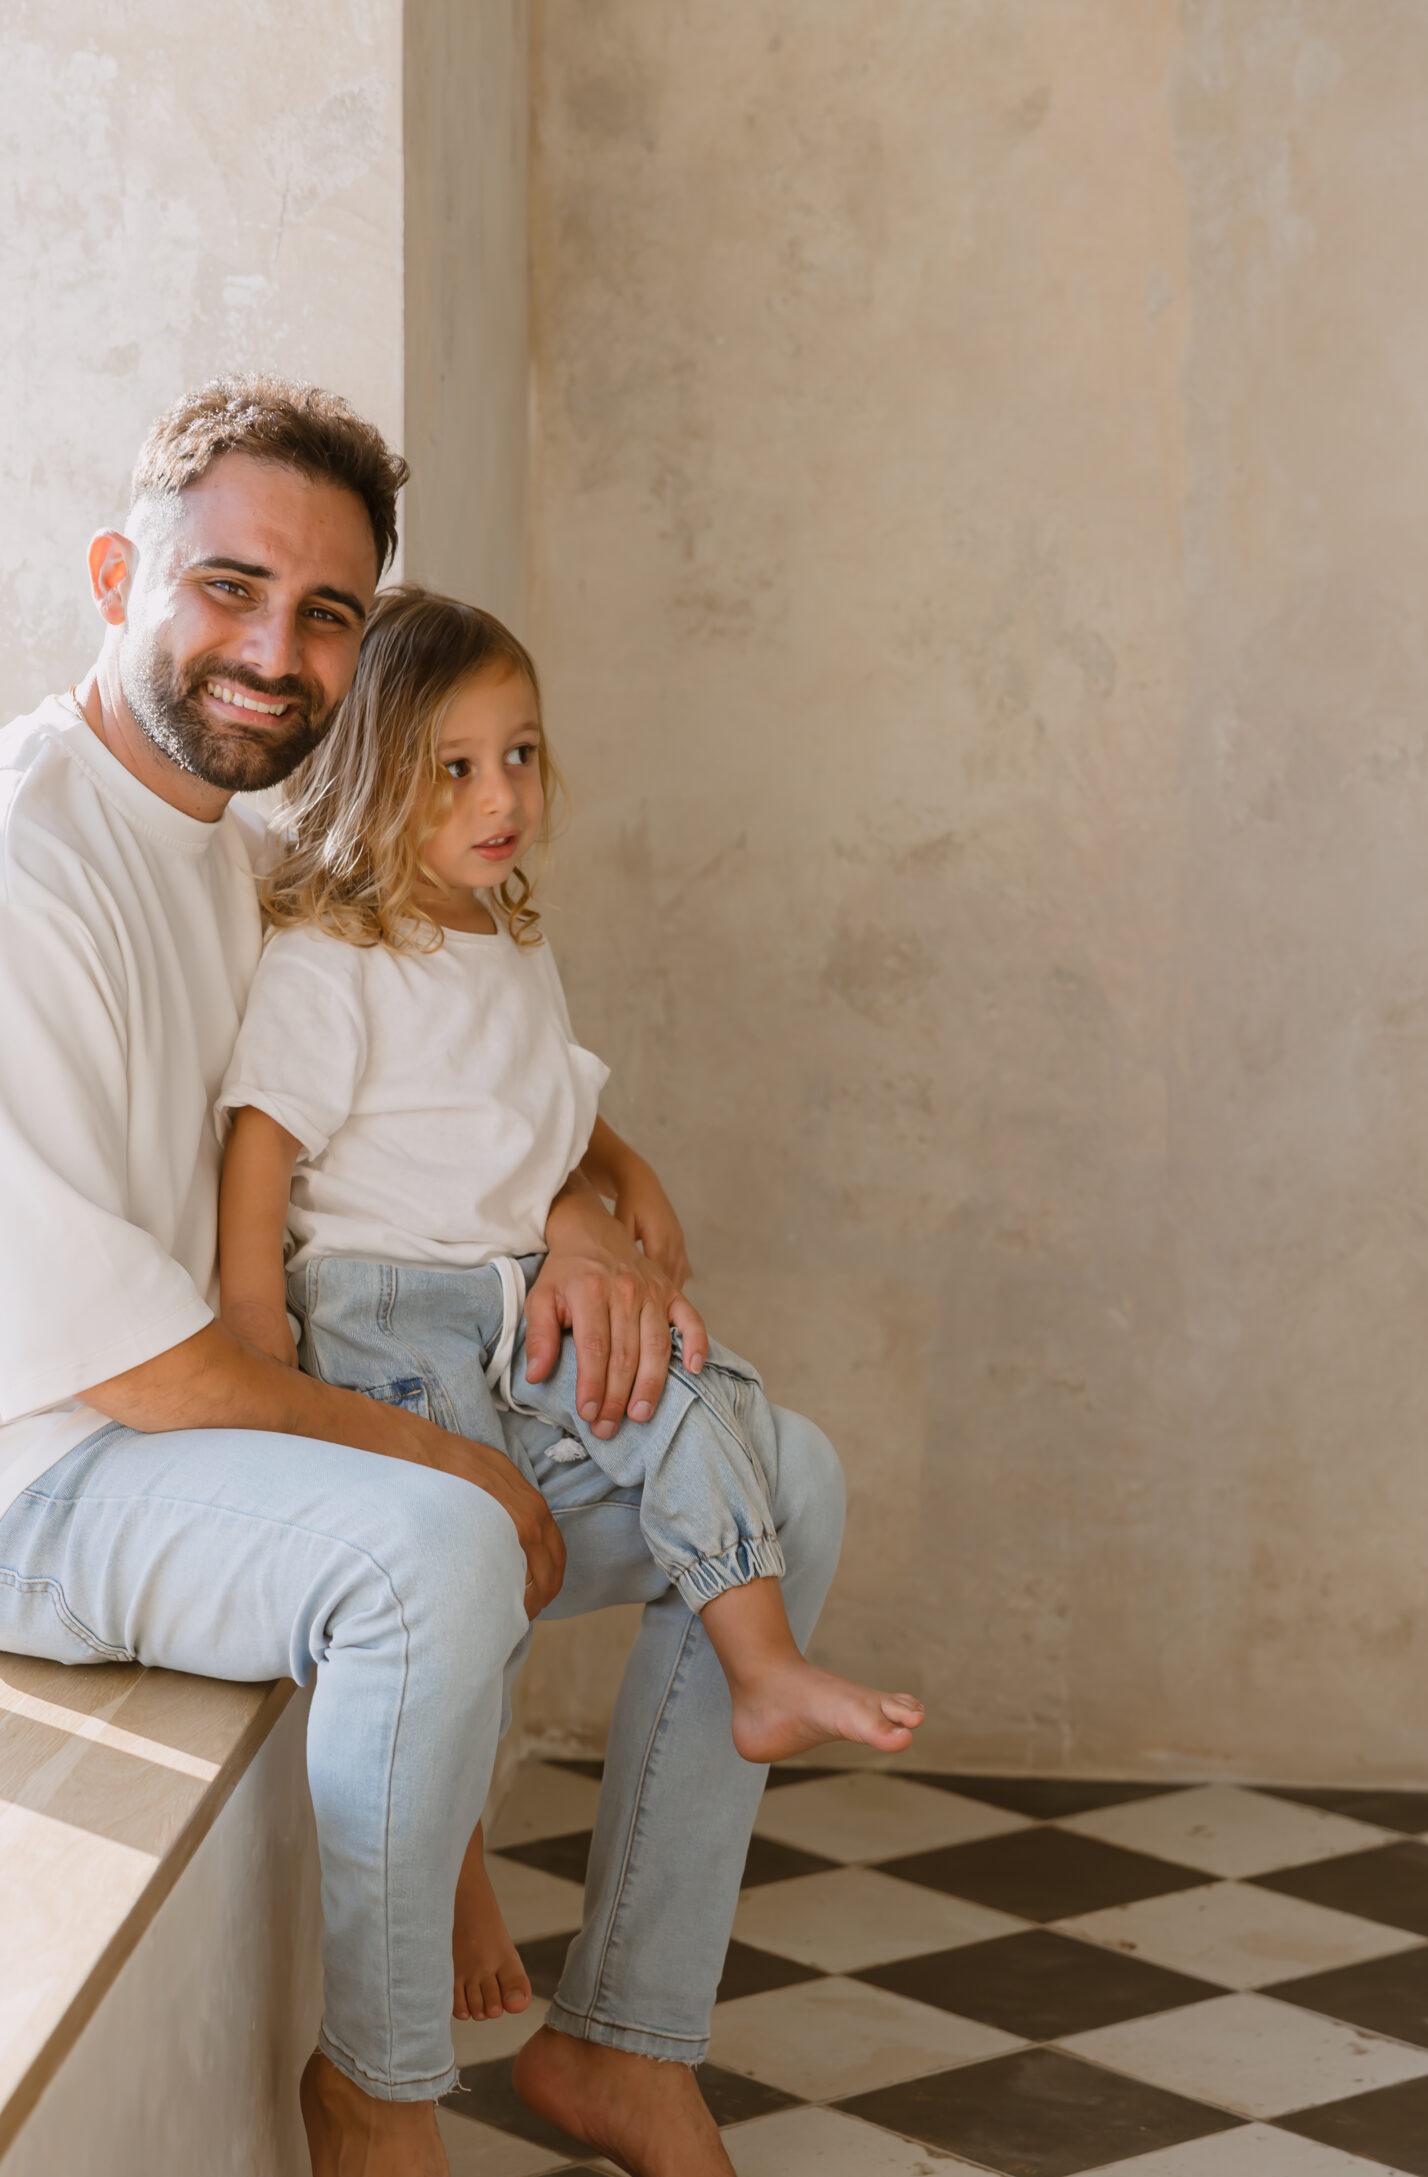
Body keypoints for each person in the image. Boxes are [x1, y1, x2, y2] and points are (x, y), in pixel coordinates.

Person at [0, 375, 864, 2177]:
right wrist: (442, 1456)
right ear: (116, 573)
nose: (273, 648)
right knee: (432, 1551)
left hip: (231, 1419)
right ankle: (380, 2100)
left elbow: (431, 1070)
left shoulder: (233, 844)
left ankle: (627, 2039)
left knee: (791, 1473)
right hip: (39, 1476)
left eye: (324, 612)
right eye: (227, 586)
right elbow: (135, 1360)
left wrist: (574, 1208)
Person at [215, 586, 925, 2021]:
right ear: (374, 777)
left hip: (510, 1298)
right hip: (389, 1313)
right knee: (467, 1574)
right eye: (455, 768)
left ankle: (760, 1661)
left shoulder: (507, 938)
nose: (502, 798)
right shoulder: (334, 960)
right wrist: (251, 1321)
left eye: (521, 755)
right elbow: (263, 1144)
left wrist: (622, 1167)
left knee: (697, 1397)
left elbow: (534, 1106)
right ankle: (460, 1861)